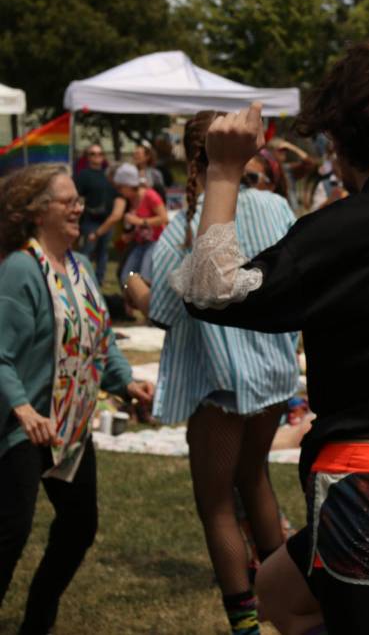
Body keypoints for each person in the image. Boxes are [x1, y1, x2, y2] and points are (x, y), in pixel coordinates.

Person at [171, 41, 369, 635]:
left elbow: (210, 290)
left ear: (338, 139)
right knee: (278, 591)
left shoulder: (341, 229)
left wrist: (223, 172)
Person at [123, 112, 300, 635]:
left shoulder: (184, 230)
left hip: (219, 384)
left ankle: (245, 624)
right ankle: (289, 603)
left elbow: (167, 311)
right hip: (272, 374)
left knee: (217, 504)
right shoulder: (275, 207)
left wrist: (134, 288)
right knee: (256, 478)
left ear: (188, 158)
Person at [0, 164, 153, 635]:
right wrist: (23, 408)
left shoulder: (82, 267)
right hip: (23, 425)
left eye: (78, 201)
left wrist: (126, 383)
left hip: (70, 424)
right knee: (9, 536)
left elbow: (100, 341)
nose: (78, 209)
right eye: (68, 202)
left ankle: (37, 622)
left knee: (79, 527)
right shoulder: (21, 269)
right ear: (37, 211)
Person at [96, 163, 168, 290]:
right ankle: (130, 299)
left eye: (120, 187)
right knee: (126, 276)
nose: (118, 191)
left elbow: (164, 218)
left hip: (155, 243)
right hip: (140, 243)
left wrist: (139, 221)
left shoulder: (150, 195)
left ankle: (146, 300)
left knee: (146, 276)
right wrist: (132, 234)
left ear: (129, 185)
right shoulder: (131, 199)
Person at [74, 143, 117, 283]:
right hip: (90, 221)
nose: (96, 156)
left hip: (107, 220)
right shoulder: (83, 175)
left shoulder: (108, 175)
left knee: (103, 253)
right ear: (87, 157)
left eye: (99, 153)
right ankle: (81, 279)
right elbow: (77, 197)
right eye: (93, 153)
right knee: (87, 251)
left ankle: (99, 281)